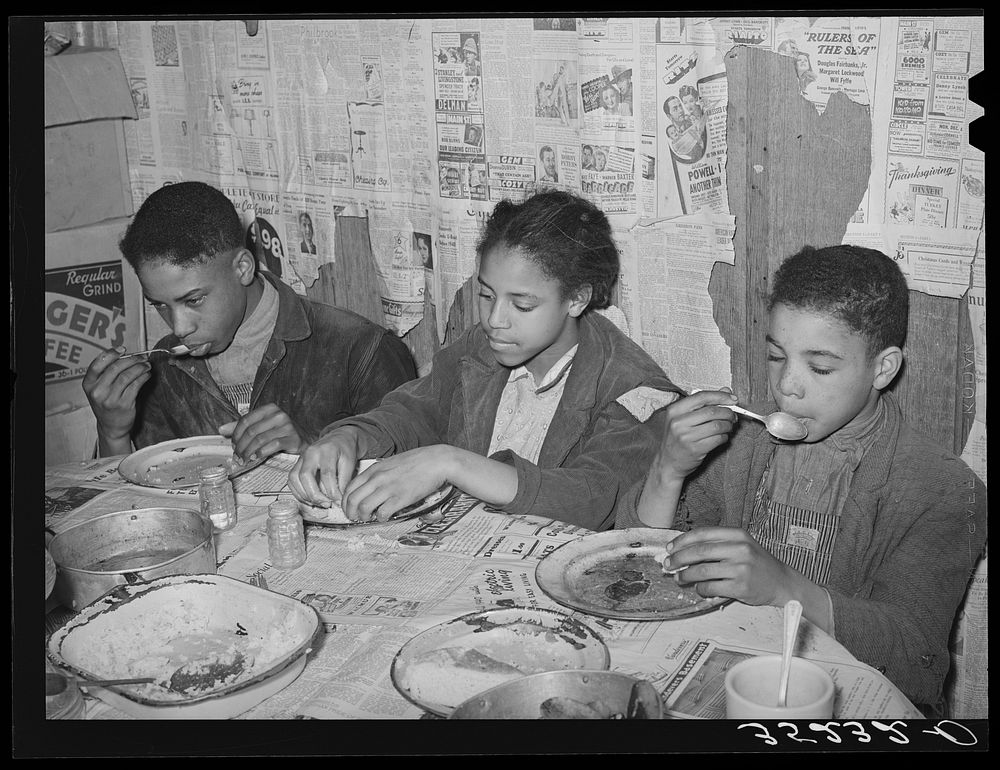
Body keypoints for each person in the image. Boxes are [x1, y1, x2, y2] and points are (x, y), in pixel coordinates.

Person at [616, 244, 988, 710]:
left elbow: (917, 660)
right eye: (777, 357)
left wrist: (784, 588)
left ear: (882, 368)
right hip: (732, 673)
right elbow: (635, 567)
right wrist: (667, 470)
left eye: (820, 367)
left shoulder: (944, 490)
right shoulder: (744, 443)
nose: (787, 385)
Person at [288, 190, 683, 531]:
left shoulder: (632, 388)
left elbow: (593, 500)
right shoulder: (483, 347)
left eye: (522, 305)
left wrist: (451, 463)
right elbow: (414, 411)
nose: (495, 320)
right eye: (486, 295)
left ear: (577, 299)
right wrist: (348, 436)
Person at [82, 181, 417, 462]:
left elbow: (415, 484)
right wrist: (112, 431)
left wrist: (307, 451)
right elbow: (138, 507)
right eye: (160, 305)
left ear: (242, 268)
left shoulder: (361, 352)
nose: (179, 327)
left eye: (193, 300)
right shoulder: (163, 371)